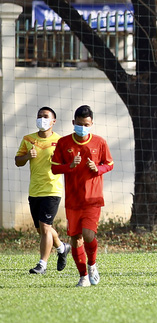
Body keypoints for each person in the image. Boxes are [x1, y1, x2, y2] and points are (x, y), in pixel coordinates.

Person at [51, 105, 114, 287]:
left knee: (88, 235)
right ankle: (83, 276)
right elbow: (55, 168)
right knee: (75, 238)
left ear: (91, 123)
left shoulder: (100, 142)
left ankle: (92, 264)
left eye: (86, 124)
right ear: (73, 123)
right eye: (79, 124)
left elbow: (109, 164)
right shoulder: (64, 143)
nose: (83, 127)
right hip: (73, 200)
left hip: (93, 199)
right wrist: (69, 166)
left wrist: (98, 169)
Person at [15, 106, 70, 274]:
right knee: (41, 229)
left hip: (52, 190)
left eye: (45, 116)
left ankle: (42, 265)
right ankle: (62, 248)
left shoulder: (61, 141)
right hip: (34, 190)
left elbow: (68, 165)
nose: (42, 119)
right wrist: (27, 156)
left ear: (54, 121)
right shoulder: (28, 139)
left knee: (45, 227)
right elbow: (18, 161)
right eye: (39, 116)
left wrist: (59, 162)